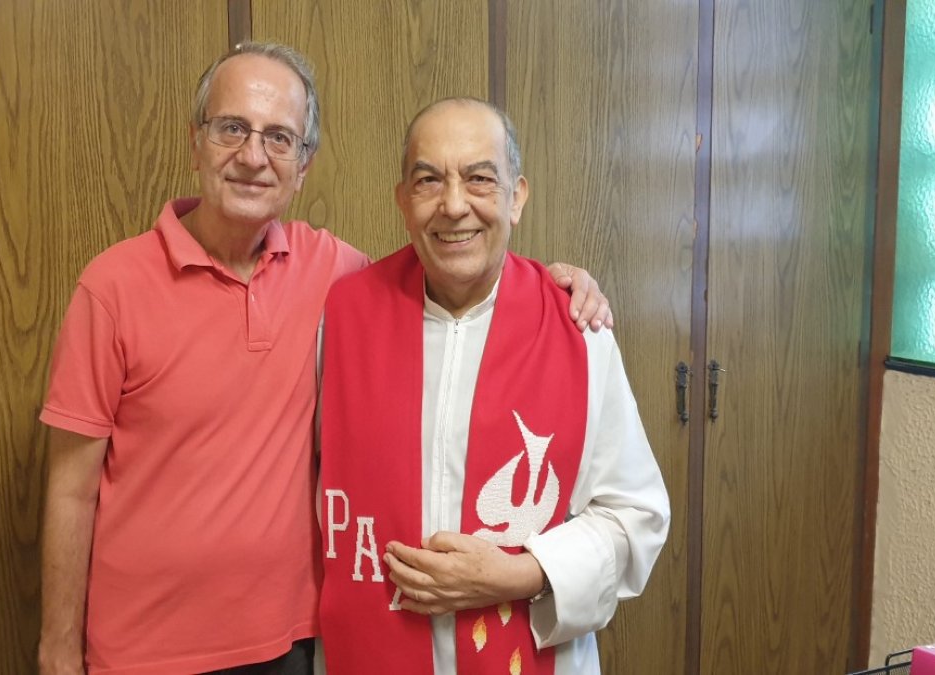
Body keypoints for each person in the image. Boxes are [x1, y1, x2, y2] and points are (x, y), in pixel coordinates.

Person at [36, 44, 612, 675]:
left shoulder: (339, 278)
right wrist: (59, 650)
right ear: (195, 142)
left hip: (295, 644)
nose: (254, 156)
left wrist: (552, 283)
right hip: (145, 651)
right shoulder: (112, 286)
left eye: (280, 137)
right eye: (233, 128)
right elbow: (70, 491)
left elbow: (449, 261)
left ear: (303, 164)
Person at [317, 97, 669, 674]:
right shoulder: (344, 316)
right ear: (403, 201)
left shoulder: (577, 329)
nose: (454, 206)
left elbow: (635, 517)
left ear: (517, 195)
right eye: (429, 180)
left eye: (479, 179)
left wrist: (520, 573)